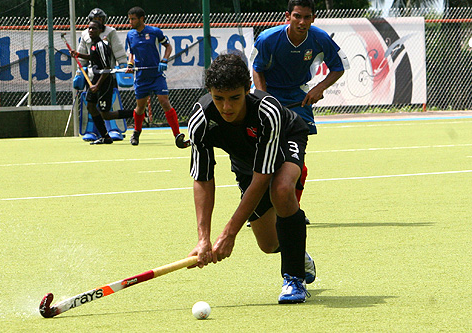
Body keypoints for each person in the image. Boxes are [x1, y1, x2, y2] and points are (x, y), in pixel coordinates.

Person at [187, 53, 316, 304]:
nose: (226, 107)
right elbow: (202, 179)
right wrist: (204, 238)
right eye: (219, 98)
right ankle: (296, 251)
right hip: (246, 161)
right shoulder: (201, 120)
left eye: (235, 98)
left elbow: (264, 176)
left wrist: (229, 233)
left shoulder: (266, 111)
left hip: (285, 140)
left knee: (280, 188)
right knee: (268, 244)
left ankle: (293, 278)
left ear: (248, 89)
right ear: (209, 92)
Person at [251, 0, 349, 203]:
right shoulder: (268, 39)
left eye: (306, 17)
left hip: (299, 98)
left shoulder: (320, 39)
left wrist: (319, 88)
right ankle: (262, 210)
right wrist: (264, 99)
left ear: (313, 18)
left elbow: (338, 67)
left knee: (297, 159)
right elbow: (257, 68)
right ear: (287, 16)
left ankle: (292, 209)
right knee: (266, 157)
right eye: (297, 16)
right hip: (270, 95)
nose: (301, 22)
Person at [125, 6, 190, 149]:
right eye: (129, 19)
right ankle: (136, 132)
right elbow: (131, 52)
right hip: (141, 77)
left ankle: (177, 135)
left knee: (164, 102)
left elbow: (168, 47)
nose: (130, 22)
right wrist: (130, 64)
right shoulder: (130, 35)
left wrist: (164, 60)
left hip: (156, 75)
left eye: (133, 19)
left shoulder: (155, 32)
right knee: (140, 107)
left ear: (141, 19)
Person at [71, 20, 134, 145]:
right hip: (95, 80)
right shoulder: (93, 45)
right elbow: (93, 57)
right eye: (89, 28)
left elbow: (106, 68)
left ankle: (136, 113)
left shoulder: (101, 45)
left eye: (94, 28)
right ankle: (105, 137)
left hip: (104, 81)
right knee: (90, 106)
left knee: (106, 114)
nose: (90, 31)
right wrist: (78, 55)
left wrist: (97, 85)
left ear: (100, 30)